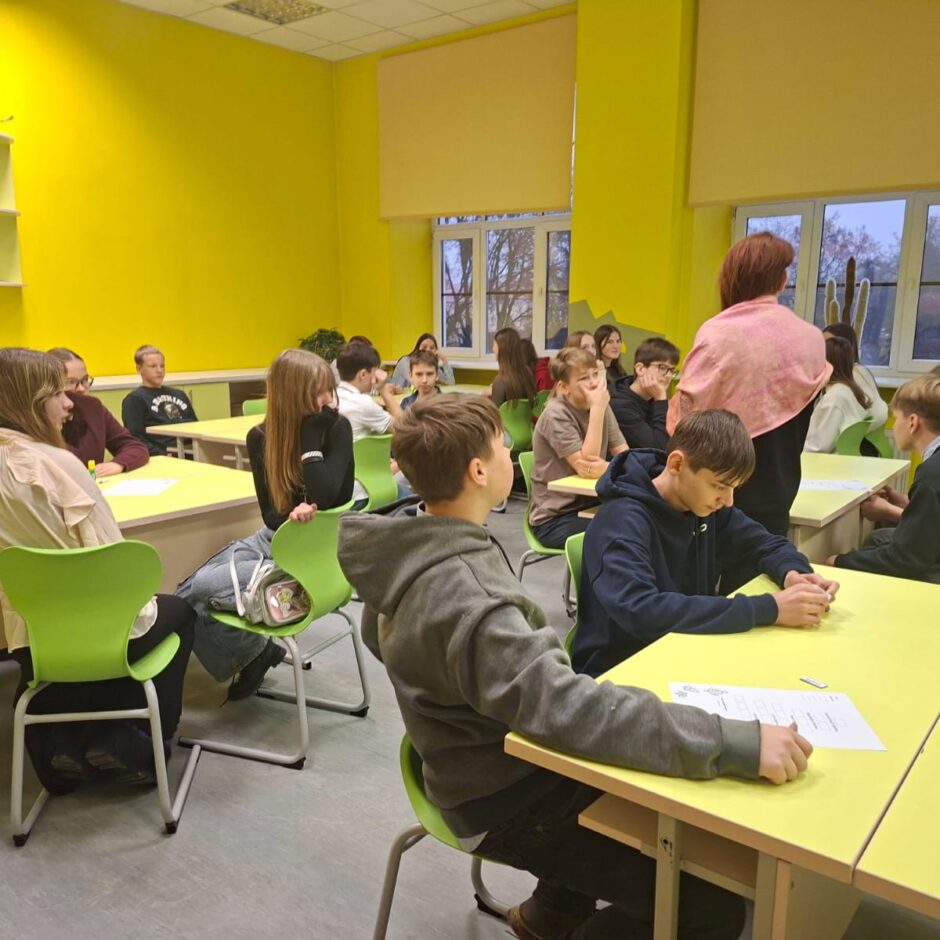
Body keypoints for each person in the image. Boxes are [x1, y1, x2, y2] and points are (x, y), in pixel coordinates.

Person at [337, 393, 813, 940]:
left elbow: (384, 640)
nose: (513, 452)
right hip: (503, 793)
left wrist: (463, 699)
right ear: (478, 471)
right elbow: (568, 710)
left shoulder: (416, 545)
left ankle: (550, 915)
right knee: (708, 905)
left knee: (670, 803)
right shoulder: (470, 593)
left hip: (480, 757)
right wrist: (735, 742)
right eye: (502, 445)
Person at [0, 347, 194, 792]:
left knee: (76, 659)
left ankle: (69, 742)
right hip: (99, 635)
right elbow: (114, 560)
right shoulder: (57, 464)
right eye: (58, 393)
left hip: (31, 637)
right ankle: (146, 745)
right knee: (181, 612)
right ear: (31, 402)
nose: (69, 402)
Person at [571, 410, 839, 678]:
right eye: (720, 486)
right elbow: (642, 611)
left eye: (734, 488)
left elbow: (764, 543)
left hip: (685, 648)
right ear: (677, 464)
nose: (729, 500)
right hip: (622, 670)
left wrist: (793, 573)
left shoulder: (702, 505)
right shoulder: (621, 522)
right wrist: (771, 608)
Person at [177, 349, 354, 699]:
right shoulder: (261, 437)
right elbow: (271, 515)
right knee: (184, 596)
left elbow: (330, 495)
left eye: (328, 390)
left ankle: (252, 652)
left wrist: (309, 437)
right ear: (292, 395)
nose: (328, 400)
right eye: (318, 392)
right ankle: (255, 652)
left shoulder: (335, 428)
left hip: (315, 550)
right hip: (274, 538)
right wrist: (291, 516)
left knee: (202, 588)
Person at [668, 232, 830, 551]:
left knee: (704, 575)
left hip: (713, 490)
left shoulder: (718, 334)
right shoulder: (812, 338)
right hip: (781, 484)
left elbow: (685, 422)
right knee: (762, 569)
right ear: (782, 281)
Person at [825, 373, 940, 583]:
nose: (893, 426)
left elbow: (906, 559)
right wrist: (909, 504)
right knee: (879, 538)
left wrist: (839, 562)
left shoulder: (931, 475)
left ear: (912, 422)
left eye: (896, 418)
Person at [529, 346, 628, 548]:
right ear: (564, 387)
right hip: (555, 518)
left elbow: (624, 453)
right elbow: (588, 467)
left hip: (593, 503)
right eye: (584, 378)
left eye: (595, 374)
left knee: (642, 519)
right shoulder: (556, 413)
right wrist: (597, 410)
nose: (593, 383)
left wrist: (611, 467)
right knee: (624, 533)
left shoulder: (600, 405)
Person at [47, 347, 149, 477]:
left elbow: (134, 446)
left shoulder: (93, 407)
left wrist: (118, 464)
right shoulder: (39, 419)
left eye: (85, 380)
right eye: (71, 382)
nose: (81, 388)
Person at [335, 340, 403, 509]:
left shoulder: (331, 396)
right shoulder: (363, 403)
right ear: (363, 374)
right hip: (362, 491)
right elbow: (404, 427)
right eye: (375, 372)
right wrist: (383, 389)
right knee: (413, 498)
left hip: (338, 488)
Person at [804, 336, 888, 453]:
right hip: (846, 459)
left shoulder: (834, 398)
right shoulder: (850, 389)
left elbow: (818, 447)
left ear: (827, 364)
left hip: (828, 460)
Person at [121, 344, 198, 456]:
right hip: (164, 455)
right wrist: (163, 455)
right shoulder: (135, 399)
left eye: (162, 366)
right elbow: (135, 438)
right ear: (139, 369)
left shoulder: (179, 394)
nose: (159, 370)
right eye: (153, 366)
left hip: (192, 451)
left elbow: (196, 427)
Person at [609, 337, 680, 449]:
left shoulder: (653, 398)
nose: (668, 376)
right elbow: (658, 449)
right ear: (640, 369)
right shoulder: (620, 405)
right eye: (662, 368)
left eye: (671, 370)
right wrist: (660, 399)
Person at [488, 327, 537, 408]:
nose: (493, 349)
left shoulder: (500, 381)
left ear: (502, 349)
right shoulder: (528, 372)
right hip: (526, 417)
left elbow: (493, 413)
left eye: (494, 345)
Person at [388, 333, 455, 391]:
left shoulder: (430, 364)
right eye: (424, 347)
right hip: (397, 397)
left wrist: (444, 360)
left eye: (432, 348)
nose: (428, 350)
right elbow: (417, 384)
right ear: (417, 349)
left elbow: (450, 382)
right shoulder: (405, 361)